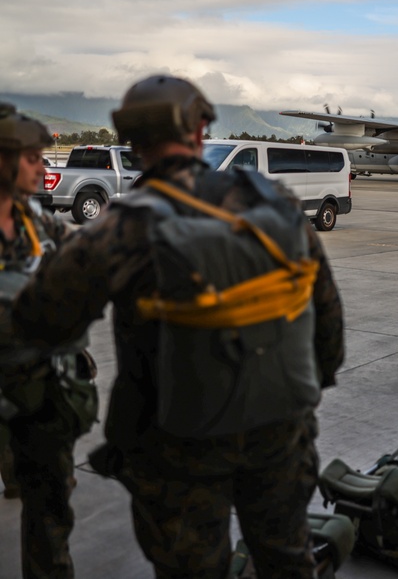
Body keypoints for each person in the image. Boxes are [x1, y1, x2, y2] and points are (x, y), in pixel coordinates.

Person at [8, 75, 345, 578]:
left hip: (178, 450)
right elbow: (329, 328)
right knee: (288, 562)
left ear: (130, 139)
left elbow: (44, 320)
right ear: (202, 127)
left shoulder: (123, 227)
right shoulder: (276, 204)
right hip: (282, 436)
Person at [0, 106, 97, 579]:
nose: (44, 167)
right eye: (32, 158)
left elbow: (83, 262)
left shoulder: (35, 221)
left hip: (38, 398)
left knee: (50, 510)